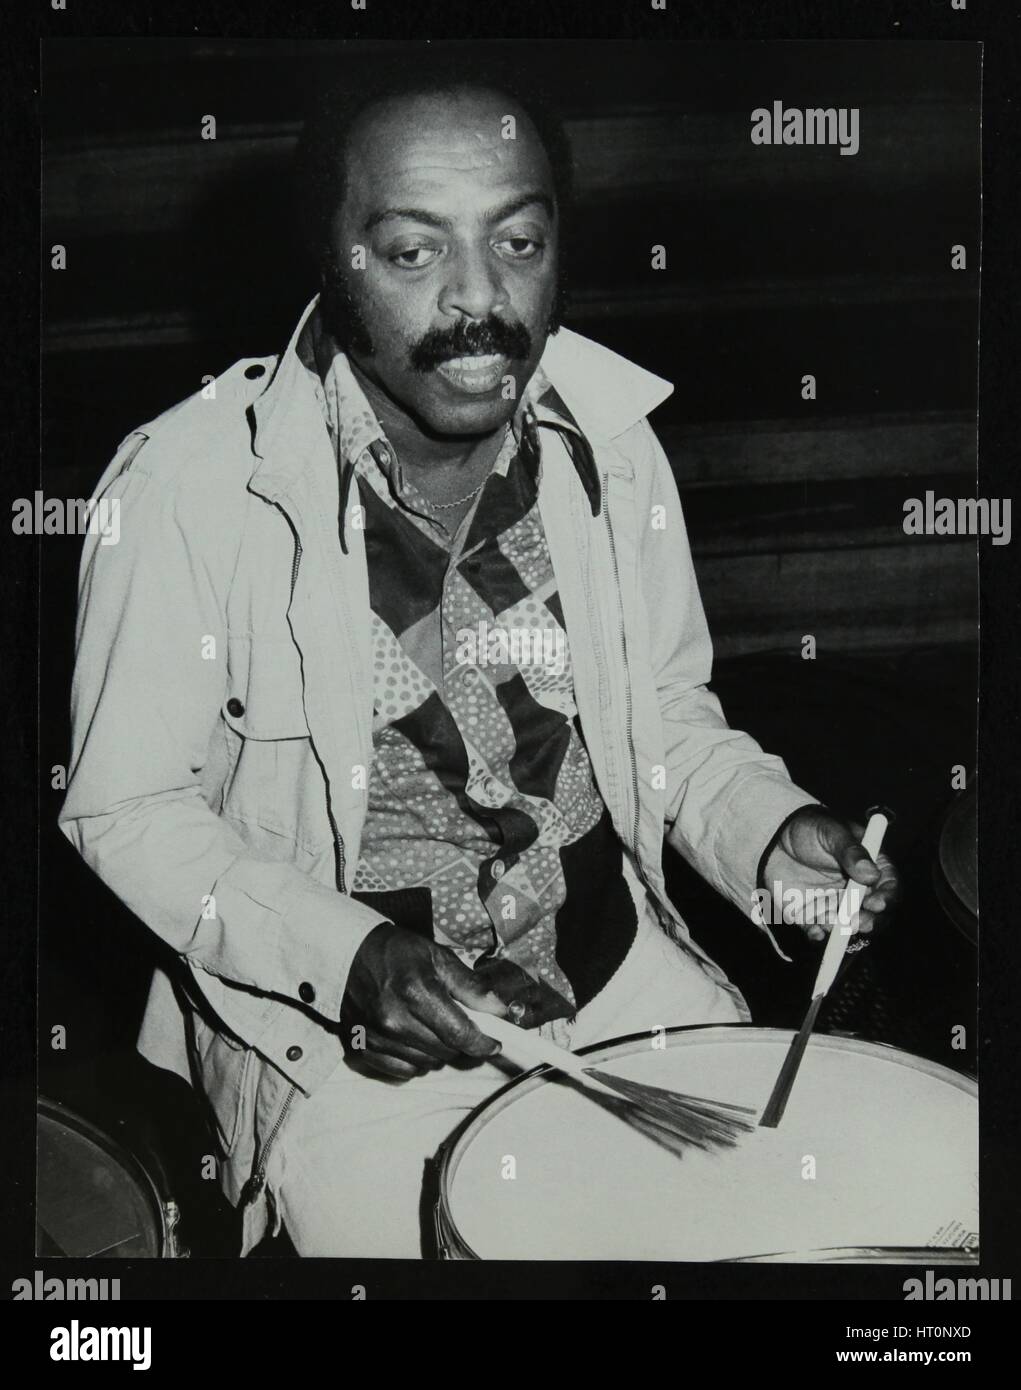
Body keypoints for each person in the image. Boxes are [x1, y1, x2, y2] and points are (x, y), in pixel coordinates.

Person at [59, 56, 899, 1258]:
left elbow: (663, 715)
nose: (477, 300)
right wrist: (347, 962)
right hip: (346, 1053)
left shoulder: (609, 449)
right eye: (412, 251)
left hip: (617, 985)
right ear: (331, 256)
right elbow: (128, 808)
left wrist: (770, 834)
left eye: (517, 242)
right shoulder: (189, 486)